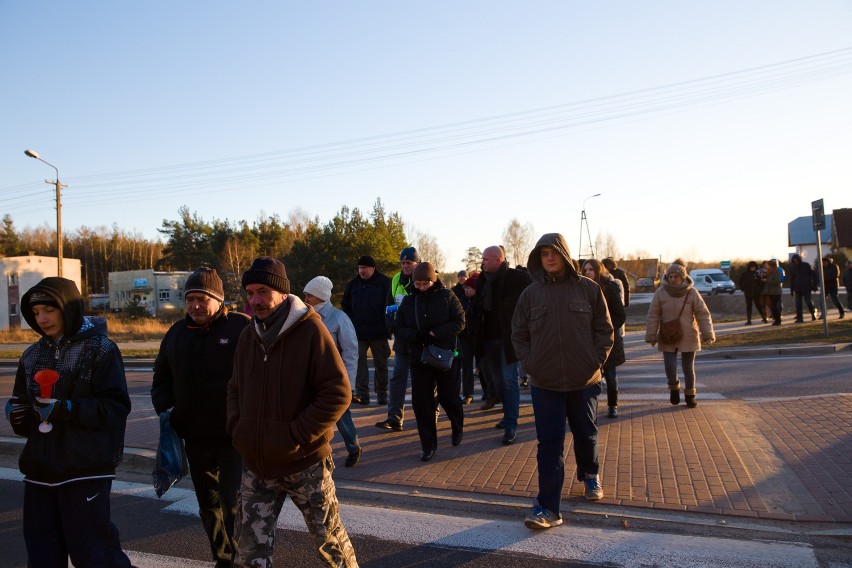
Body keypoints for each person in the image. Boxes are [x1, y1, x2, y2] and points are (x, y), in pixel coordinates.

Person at [227, 257, 357, 567]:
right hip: (258, 465)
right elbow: (234, 388)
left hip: (306, 463)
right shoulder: (249, 335)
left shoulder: (311, 329)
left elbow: (338, 393)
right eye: (250, 292)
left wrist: (295, 435)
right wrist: (238, 429)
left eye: (262, 292)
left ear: (283, 292)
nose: (254, 300)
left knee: (330, 544)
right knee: (248, 551)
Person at [5, 277, 132, 566]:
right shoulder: (31, 355)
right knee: (42, 556)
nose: (42, 319)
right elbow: (20, 403)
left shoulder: (101, 349)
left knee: (94, 556)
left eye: (49, 309)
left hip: (85, 469)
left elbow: (115, 407)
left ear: (68, 308)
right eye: (36, 312)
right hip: (39, 471)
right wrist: (18, 415)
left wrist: (68, 409)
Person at [512, 234, 613, 530]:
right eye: (543, 255)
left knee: (586, 434)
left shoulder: (589, 290)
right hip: (546, 383)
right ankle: (548, 509)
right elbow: (518, 334)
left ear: (565, 255)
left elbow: (605, 330)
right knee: (550, 444)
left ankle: (590, 474)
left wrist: (594, 361)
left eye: (553, 253)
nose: (549, 259)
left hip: (584, 380)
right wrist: (531, 364)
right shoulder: (530, 294)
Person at [151, 267, 251, 567]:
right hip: (194, 437)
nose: (195, 305)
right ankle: (222, 558)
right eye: (190, 298)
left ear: (219, 300)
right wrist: (167, 410)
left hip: (233, 437)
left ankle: (242, 558)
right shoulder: (176, 334)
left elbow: (260, 375)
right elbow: (161, 378)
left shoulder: (241, 328)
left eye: (202, 298)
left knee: (233, 502)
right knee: (207, 504)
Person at [392, 262, 465, 461]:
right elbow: (398, 328)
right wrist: (416, 335)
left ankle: (457, 424)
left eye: (425, 283)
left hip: (444, 355)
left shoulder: (447, 296)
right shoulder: (408, 302)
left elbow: (460, 321)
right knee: (421, 403)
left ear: (434, 280)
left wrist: (435, 333)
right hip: (419, 358)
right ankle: (428, 445)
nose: (421, 287)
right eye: (418, 283)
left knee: (448, 396)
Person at [472, 245, 531, 444]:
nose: (482, 262)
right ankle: (507, 416)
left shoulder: (517, 279)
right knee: (497, 384)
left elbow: (530, 302)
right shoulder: (482, 281)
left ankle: (511, 425)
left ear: (498, 260)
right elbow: (478, 309)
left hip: (508, 340)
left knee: (509, 381)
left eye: (486, 259)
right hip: (488, 341)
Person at [304, 275, 363, 467]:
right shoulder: (305, 316)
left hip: (335, 379)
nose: (305, 299)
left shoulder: (339, 318)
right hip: (312, 378)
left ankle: (353, 448)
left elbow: (351, 352)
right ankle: (320, 455)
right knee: (314, 418)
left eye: (309, 295)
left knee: (342, 417)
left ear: (320, 296)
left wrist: (348, 383)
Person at [645, 260, 715, 408]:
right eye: (670, 276)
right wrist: (651, 334)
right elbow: (653, 315)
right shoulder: (660, 293)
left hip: (688, 335)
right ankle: (674, 387)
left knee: (688, 368)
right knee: (669, 367)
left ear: (683, 277)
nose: (672, 279)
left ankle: (690, 395)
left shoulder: (692, 292)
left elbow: (703, 314)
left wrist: (707, 333)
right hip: (668, 335)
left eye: (676, 276)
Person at [375, 246, 420, 432]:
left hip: (420, 338)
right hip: (402, 337)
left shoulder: (425, 277)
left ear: (417, 263)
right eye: (402, 263)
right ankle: (394, 418)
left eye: (408, 263)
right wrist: (391, 326)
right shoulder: (395, 279)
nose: (405, 266)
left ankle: (430, 414)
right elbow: (388, 305)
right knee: (397, 378)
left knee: (423, 380)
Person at [341, 255, 391, 406]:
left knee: (381, 364)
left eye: (364, 268)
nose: (361, 271)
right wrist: (350, 323)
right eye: (359, 268)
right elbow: (346, 305)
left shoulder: (384, 282)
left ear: (373, 268)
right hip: (358, 332)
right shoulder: (352, 285)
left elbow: (390, 304)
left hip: (379, 332)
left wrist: (388, 324)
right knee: (359, 363)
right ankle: (362, 394)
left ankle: (382, 393)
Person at [582, 259, 626, 418]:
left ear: (598, 271)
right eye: (585, 270)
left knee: (610, 375)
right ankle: (590, 408)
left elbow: (620, 315)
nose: (587, 273)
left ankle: (612, 405)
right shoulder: (581, 289)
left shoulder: (610, 287)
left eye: (591, 270)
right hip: (589, 340)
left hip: (609, 340)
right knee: (591, 378)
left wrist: (605, 329)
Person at [451, 270, 474, 404]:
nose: (461, 279)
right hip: (458, 336)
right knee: (456, 366)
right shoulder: (453, 291)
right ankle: (458, 393)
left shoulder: (471, 294)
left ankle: (469, 393)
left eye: (463, 276)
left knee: (469, 367)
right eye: (459, 276)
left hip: (469, 336)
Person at [789, 254, 817, 322]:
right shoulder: (793, 267)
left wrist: (814, 285)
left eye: (797, 260)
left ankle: (813, 312)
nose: (796, 262)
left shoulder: (806, 265)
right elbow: (792, 278)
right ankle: (800, 318)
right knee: (798, 303)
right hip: (797, 287)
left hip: (806, 286)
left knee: (808, 301)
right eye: (794, 261)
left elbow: (813, 274)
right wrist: (791, 289)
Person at [760, 260, 783, 326]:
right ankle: (776, 319)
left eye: (767, 265)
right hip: (770, 292)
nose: (766, 266)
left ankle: (778, 320)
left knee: (775, 306)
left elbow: (777, 281)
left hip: (776, 292)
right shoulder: (768, 272)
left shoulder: (776, 272)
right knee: (772, 306)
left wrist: (767, 281)